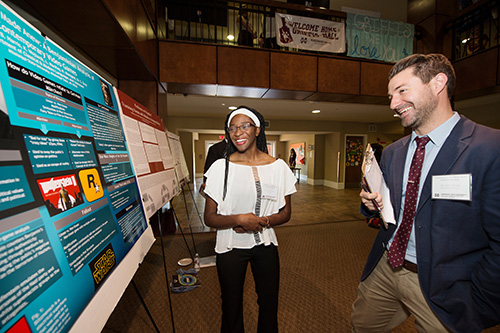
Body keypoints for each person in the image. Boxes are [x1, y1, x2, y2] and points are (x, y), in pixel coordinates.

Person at [351, 53, 500, 332]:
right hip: (387, 264)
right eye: (390, 96)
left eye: (402, 90)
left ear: (438, 83)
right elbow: (387, 206)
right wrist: (371, 205)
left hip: (445, 286)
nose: (394, 104)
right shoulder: (394, 151)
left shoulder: (490, 148)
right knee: (361, 326)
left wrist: (479, 301)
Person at [204, 106, 297, 332]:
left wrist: (261, 221)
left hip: (266, 245)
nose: (238, 132)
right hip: (230, 247)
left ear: (257, 130)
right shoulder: (220, 168)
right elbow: (209, 218)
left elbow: (285, 213)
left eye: (244, 126)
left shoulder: (278, 167)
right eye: (232, 128)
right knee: (231, 305)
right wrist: (239, 219)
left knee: (268, 303)